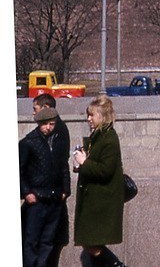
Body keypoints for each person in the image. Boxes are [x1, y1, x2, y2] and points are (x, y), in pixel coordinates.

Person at [72, 94, 126, 267]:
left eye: (92, 115)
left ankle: (116, 265)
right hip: (94, 199)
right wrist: (80, 163)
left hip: (101, 201)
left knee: (91, 242)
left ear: (102, 117)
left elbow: (105, 170)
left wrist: (84, 162)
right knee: (90, 241)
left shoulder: (109, 138)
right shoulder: (98, 136)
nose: (88, 119)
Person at [20, 105, 69, 267]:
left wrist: (65, 190)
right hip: (37, 199)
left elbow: (63, 166)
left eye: (51, 124)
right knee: (31, 241)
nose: (48, 128)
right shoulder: (29, 143)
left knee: (48, 241)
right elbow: (20, 170)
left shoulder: (57, 142)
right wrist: (27, 192)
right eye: (45, 124)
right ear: (38, 124)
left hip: (54, 198)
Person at [33, 92, 71, 267]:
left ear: (46, 109)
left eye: (36, 110)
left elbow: (58, 164)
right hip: (52, 195)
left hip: (50, 197)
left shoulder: (56, 132)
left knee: (46, 248)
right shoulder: (56, 130)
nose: (34, 114)